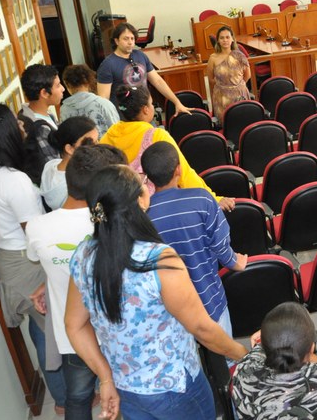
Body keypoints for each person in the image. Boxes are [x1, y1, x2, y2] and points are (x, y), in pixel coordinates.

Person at [65, 165, 248, 420]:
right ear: (140, 200)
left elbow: (74, 325)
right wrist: (244, 354)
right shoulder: (158, 260)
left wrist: (106, 378)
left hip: (125, 386)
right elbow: (202, 328)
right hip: (175, 387)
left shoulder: (83, 255)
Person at [0, 104, 66, 414]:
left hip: (7, 258)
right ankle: (65, 400)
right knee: (51, 331)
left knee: (41, 329)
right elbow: (33, 233)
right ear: (5, 134)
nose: (23, 128)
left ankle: (62, 396)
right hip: (25, 262)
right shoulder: (13, 180)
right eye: (17, 125)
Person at [26, 144, 127, 420]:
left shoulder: (37, 227)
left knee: (79, 396)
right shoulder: (110, 224)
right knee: (124, 392)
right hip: (114, 329)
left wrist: (47, 283)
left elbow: (58, 263)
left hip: (71, 333)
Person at [141, 141, 247, 336]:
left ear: (147, 177)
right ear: (179, 170)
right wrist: (235, 262)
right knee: (225, 359)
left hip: (170, 313)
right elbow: (221, 246)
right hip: (209, 300)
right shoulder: (202, 199)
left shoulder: (143, 215)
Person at [99, 84, 234, 210]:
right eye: (151, 104)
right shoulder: (156, 135)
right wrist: (213, 198)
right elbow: (184, 172)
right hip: (155, 207)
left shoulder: (109, 135)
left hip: (121, 207)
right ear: (146, 110)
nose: (152, 107)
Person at [232, 302, 317, 419]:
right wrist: (304, 333)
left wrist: (273, 336)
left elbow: (258, 353)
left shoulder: (243, 374)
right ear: (312, 347)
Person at [96, 22, 190, 116]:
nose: (130, 42)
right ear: (116, 41)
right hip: (123, 118)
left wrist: (176, 102)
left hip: (146, 114)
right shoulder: (107, 65)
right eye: (126, 39)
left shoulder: (140, 55)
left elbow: (157, 81)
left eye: (132, 39)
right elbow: (104, 99)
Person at [40, 116, 98, 211]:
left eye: (97, 141)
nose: (97, 147)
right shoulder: (78, 182)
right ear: (69, 148)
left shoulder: (50, 166)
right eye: (90, 143)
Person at [18, 63, 64, 163]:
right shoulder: (39, 130)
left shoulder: (45, 114)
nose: (63, 89)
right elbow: (54, 167)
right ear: (44, 93)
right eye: (58, 85)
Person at [206, 25, 251, 124]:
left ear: (232, 39)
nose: (225, 40)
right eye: (221, 38)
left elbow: (247, 75)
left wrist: (236, 87)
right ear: (218, 40)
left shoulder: (240, 56)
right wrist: (224, 87)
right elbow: (211, 79)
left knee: (243, 123)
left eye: (227, 37)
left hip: (240, 95)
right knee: (226, 125)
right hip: (221, 97)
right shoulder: (213, 58)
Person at [60, 64, 119, 137]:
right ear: (88, 81)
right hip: (105, 147)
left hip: (80, 148)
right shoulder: (103, 103)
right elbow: (117, 130)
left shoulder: (64, 109)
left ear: (67, 84)